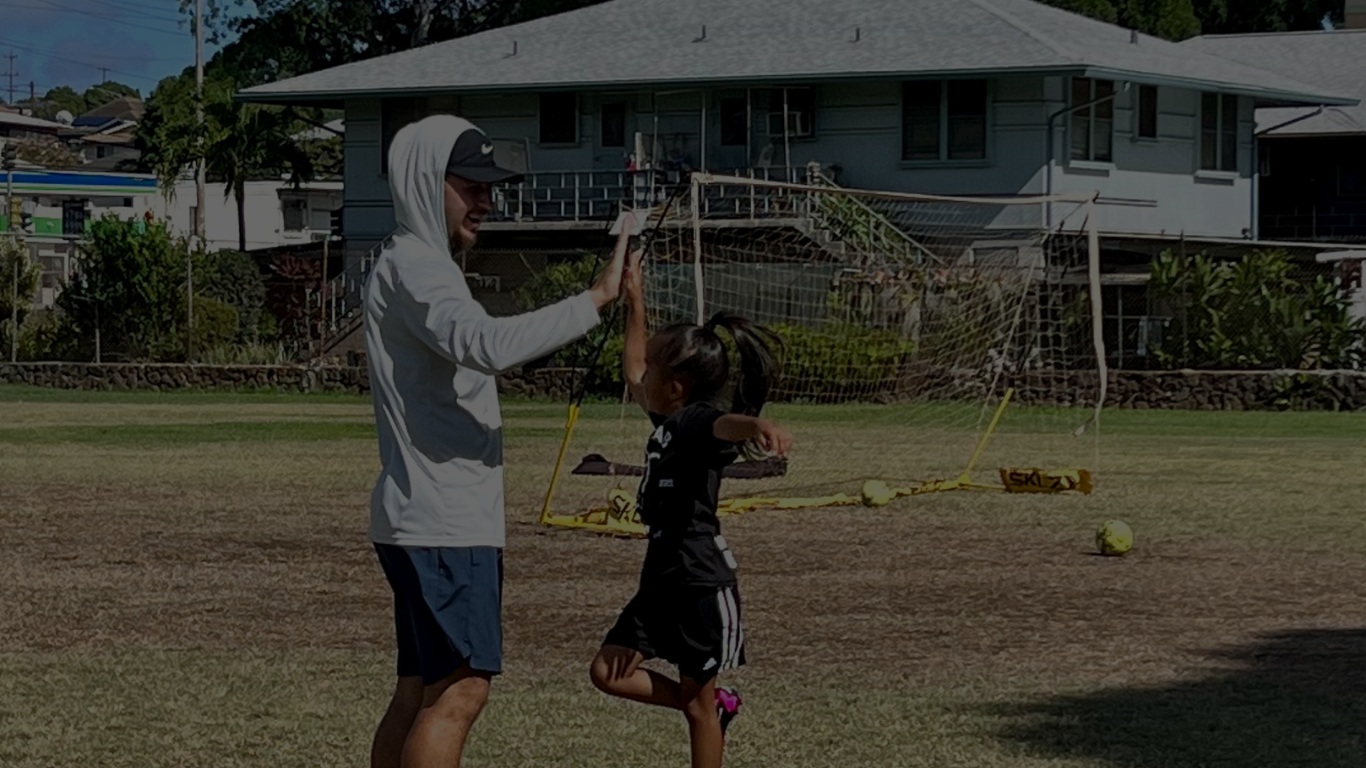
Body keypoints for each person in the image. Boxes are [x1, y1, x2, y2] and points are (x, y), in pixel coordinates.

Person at [363, 114, 634, 768]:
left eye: (492, 186)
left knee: (419, 693)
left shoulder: (414, 265)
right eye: (471, 184)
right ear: (427, 183)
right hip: (445, 523)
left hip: (419, 519)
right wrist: (596, 297)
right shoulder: (419, 269)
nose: (487, 199)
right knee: (460, 693)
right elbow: (484, 346)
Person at [589, 249, 793, 768]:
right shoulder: (665, 420)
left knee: (698, 710)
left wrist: (758, 425)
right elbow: (633, 365)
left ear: (676, 387)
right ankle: (706, 705)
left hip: (701, 582)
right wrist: (636, 300)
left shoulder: (697, 421)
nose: (642, 375)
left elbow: (728, 426)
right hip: (660, 580)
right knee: (607, 672)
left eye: (655, 367)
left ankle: (708, 711)